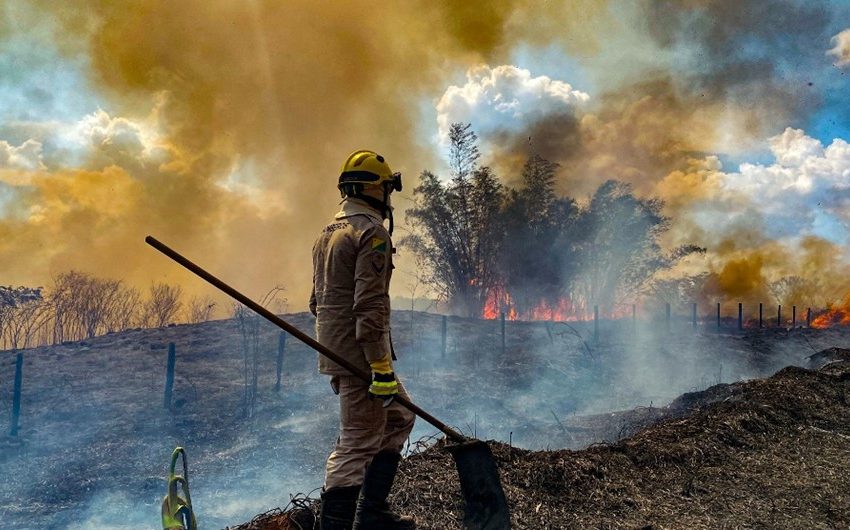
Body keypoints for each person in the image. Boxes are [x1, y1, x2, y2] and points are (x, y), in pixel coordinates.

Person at [310, 150, 416, 530]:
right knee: (356, 443)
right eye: (388, 187)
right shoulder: (372, 233)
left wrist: (338, 345)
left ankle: (373, 514)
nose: (390, 196)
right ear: (376, 189)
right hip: (362, 358)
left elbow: (315, 302)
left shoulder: (327, 233)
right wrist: (379, 365)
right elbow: (370, 306)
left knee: (401, 416)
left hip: (343, 351)